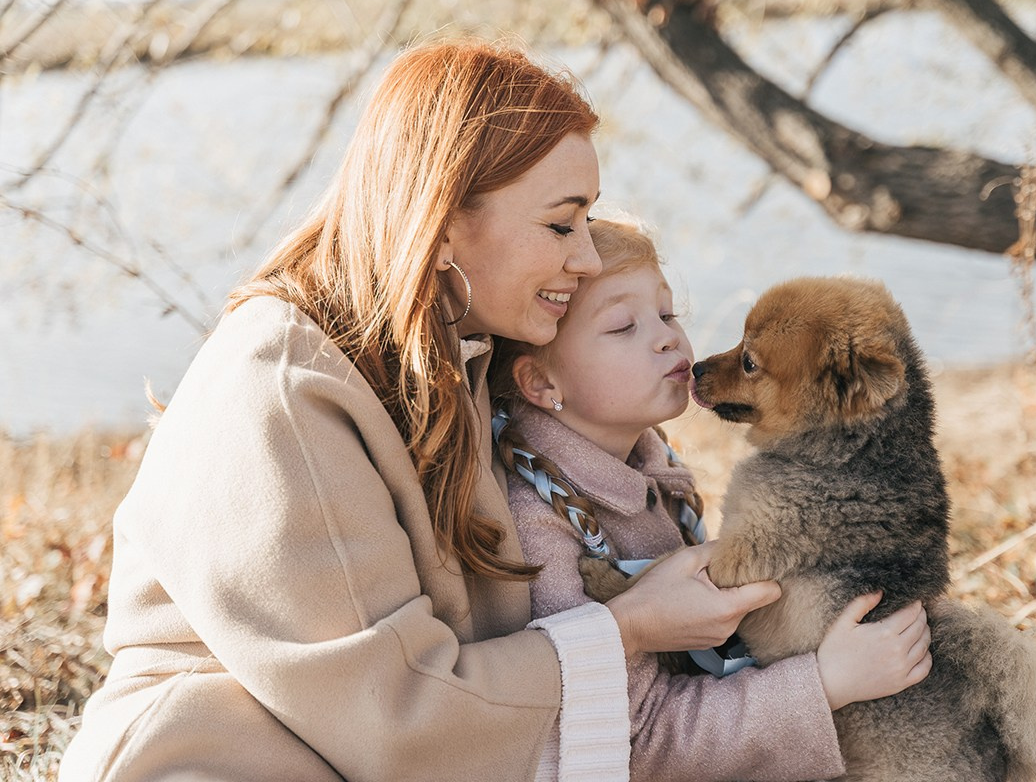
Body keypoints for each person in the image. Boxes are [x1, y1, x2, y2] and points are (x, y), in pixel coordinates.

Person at [58, 40, 785, 781]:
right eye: (561, 225)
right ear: (442, 227)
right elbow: (393, 720)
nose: (589, 260)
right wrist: (627, 627)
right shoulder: (286, 390)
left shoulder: (451, 352)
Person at [490, 218, 934, 781]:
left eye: (669, 313)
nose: (669, 338)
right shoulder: (541, 531)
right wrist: (825, 684)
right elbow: (636, 743)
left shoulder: (652, 473)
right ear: (542, 384)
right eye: (624, 325)